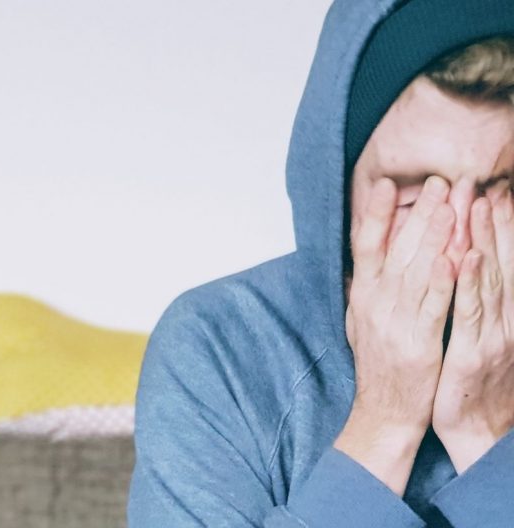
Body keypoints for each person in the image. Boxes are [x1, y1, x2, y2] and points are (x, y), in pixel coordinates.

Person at [127, 1, 514, 526]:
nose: (461, 239)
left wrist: (485, 440)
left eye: (504, 192)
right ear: (335, 187)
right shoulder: (219, 344)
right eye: (413, 196)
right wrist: (386, 422)